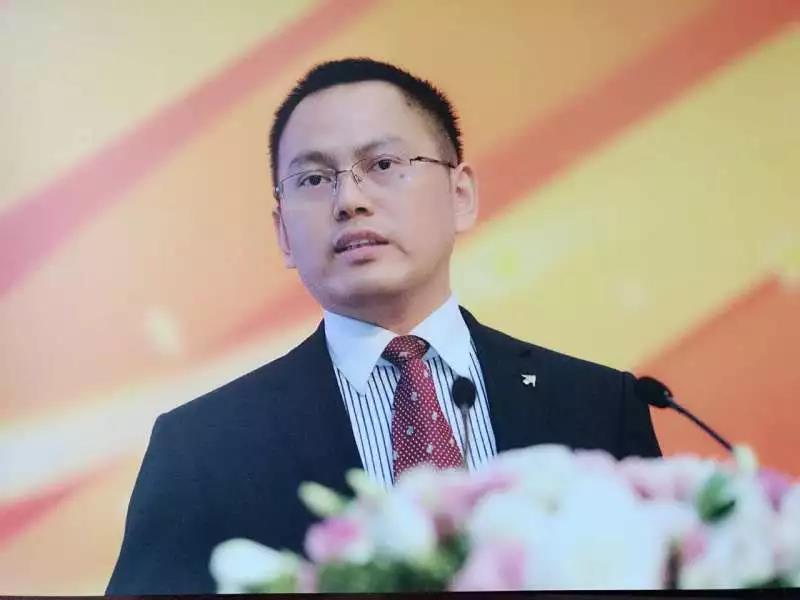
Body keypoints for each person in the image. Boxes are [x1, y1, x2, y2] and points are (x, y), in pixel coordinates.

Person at [107, 58, 661, 594]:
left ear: (460, 195)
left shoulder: (599, 406)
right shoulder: (201, 448)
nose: (350, 200)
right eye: (314, 178)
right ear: (283, 234)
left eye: (383, 165)